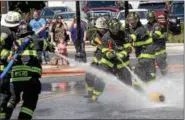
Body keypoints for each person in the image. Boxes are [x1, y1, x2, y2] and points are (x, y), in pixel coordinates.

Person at [5, 25, 42, 119]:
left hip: (15, 78)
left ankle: (4, 116)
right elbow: (49, 46)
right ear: (30, 32)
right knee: (30, 102)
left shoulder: (15, 43)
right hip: (31, 77)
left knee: (13, 99)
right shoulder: (36, 40)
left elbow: (9, 58)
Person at [0, 11, 22, 119]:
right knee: (3, 95)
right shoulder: (5, 32)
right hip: (1, 69)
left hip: (4, 69)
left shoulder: (7, 31)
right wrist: (8, 55)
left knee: (8, 94)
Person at [126, 12, 156, 90]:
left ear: (137, 20)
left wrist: (129, 39)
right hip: (143, 54)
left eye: (133, 21)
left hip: (146, 54)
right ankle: (153, 88)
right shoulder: (133, 29)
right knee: (146, 74)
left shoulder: (140, 29)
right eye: (129, 21)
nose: (131, 23)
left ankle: (138, 90)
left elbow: (133, 36)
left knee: (138, 69)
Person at [84, 17, 109, 102]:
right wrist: (95, 41)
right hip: (96, 61)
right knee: (89, 76)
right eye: (99, 29)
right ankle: (90, 93)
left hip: (106, 62)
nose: (101, 30)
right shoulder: (96, 33)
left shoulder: (109, 35)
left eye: (102, 29)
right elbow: (92, 41)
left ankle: (95, 96)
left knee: (100, 80)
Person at [145, 10, 168, 76]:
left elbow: (155, 36)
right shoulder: (146, 26)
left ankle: (166, 76)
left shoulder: (157, 25)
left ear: (154, 18)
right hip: (151, 49)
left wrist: (147, 34)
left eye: (151, 18)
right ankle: (152, 79)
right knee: (150, 66)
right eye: (149, 18)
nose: (150, 19)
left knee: (161, 63)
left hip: (160, 50)